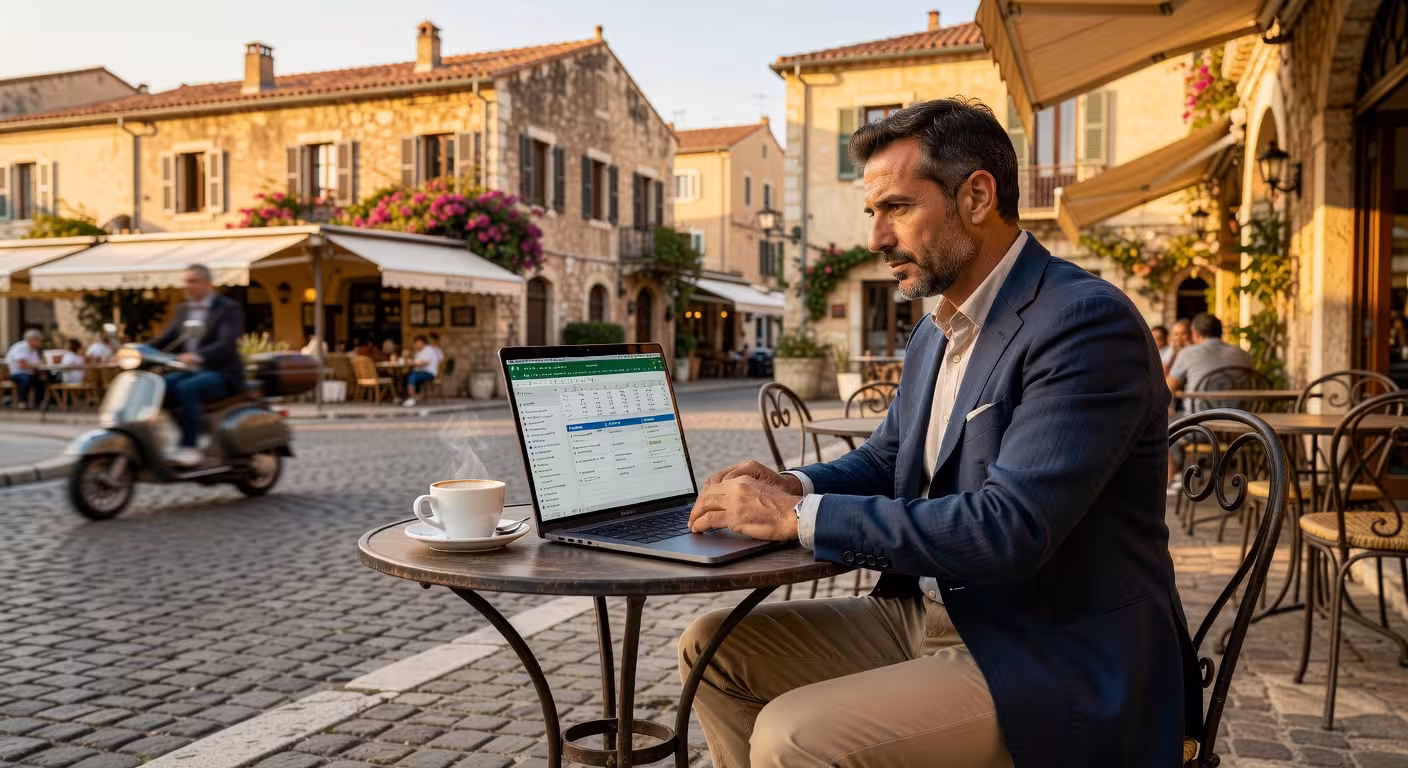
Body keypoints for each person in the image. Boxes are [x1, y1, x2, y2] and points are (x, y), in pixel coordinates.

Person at [677, 98, 1196, 767]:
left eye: (896, 207)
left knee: (795, 736)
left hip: (1051, 648)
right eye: (873, 212)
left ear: (977, 195)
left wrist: (799, 517)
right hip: (934, 614)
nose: (875, 238)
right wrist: (792, 483)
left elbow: (1010, 530)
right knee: (710, 648)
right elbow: (890, 459)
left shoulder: (1083, 322)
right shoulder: (937, 327)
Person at [151, 264, 245, 466]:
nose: (187, 286)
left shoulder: (227, 308)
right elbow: (165, 339)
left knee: (188, 388)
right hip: (192, 371)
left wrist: (197, 356)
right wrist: (135, 350)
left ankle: (190, 447)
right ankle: (168, 439)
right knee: (159, 386)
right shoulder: (183, 310)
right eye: (186, 281)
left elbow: (226, 342)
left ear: (208, 284)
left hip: (223, 374)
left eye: (193, 281)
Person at [5, 329, 46, 409]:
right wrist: (37, 366)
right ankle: (22, 402)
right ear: (32, 340)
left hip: (29, 372)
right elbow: (22, 365)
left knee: (42, 379)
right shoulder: (21, 347)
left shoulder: (34, 350)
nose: (40, 342)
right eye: (39, 340)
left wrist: (40, 370)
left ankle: (38, 402)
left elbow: (36, 365)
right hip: (16, 373)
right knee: (26, 379)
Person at [402, 334, 442, 407]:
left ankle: (412, 398)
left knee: (413, 376)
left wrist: (413, 362)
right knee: (406, 376)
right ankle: (408, 397)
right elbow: (416, 361)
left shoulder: (429, 350)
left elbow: (425, 362)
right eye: (416, 343)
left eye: (418, 342)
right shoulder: (419, 351)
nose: (417, 344)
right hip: (421, 372)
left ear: (422, 342)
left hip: (429, 373)